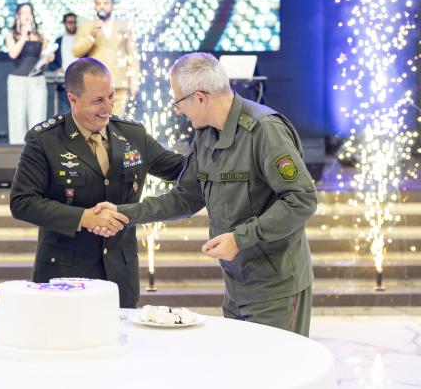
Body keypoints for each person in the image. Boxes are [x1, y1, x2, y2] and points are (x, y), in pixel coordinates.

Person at [94, 52, 317, 336]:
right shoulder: (206, 135)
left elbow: (301, 199)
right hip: (237, 282)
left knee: (275, 365)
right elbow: (185, 197)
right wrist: (123, 213)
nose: (178, 110)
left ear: (200, 98)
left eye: (178, 101)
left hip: (277, 285)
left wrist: (240, 238)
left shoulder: (264, 131)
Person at [9, 58, 184, 308]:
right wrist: (84, 218)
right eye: (98, 100)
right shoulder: (45, 140)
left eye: (111, 96)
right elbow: (22, 202)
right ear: (73, 99)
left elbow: (179, 169)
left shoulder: (132, 134)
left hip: (120, 276)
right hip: (64, 276)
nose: (108, 107)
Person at [73, 0, 139, 116]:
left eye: (105, 3)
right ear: (95, 6)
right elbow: (76, 51)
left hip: (120, 83)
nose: (102, 6)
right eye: (98, 3)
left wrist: (134, 80)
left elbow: (132, 54)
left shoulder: (124, 25)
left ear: (112, 5)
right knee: (98, 120)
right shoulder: (87, 26)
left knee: (117, 121)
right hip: (95, 83)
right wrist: (91, 36)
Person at [6, 2, 54, 144]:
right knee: (17, 118)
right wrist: (23, 36)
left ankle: (36, 151)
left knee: (38, 117)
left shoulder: (40, 36)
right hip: (17, 80)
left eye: (29, 13)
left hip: (37, 80)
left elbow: (44, 58)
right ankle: (17, 152)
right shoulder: (12, 35)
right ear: (18, 17)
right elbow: (13, 54)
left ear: (33, 16)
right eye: (23, 13)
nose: (27, 16)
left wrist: (48, 57)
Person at [49, 12, 78, 114]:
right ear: (64, 23)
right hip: (64, 79)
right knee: (65, 109)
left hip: (79, 78)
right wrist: (56, 68)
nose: (72, 25)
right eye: (70, 22)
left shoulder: (81, 40)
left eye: (74, 22)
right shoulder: (59, 40)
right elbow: (52, 59)